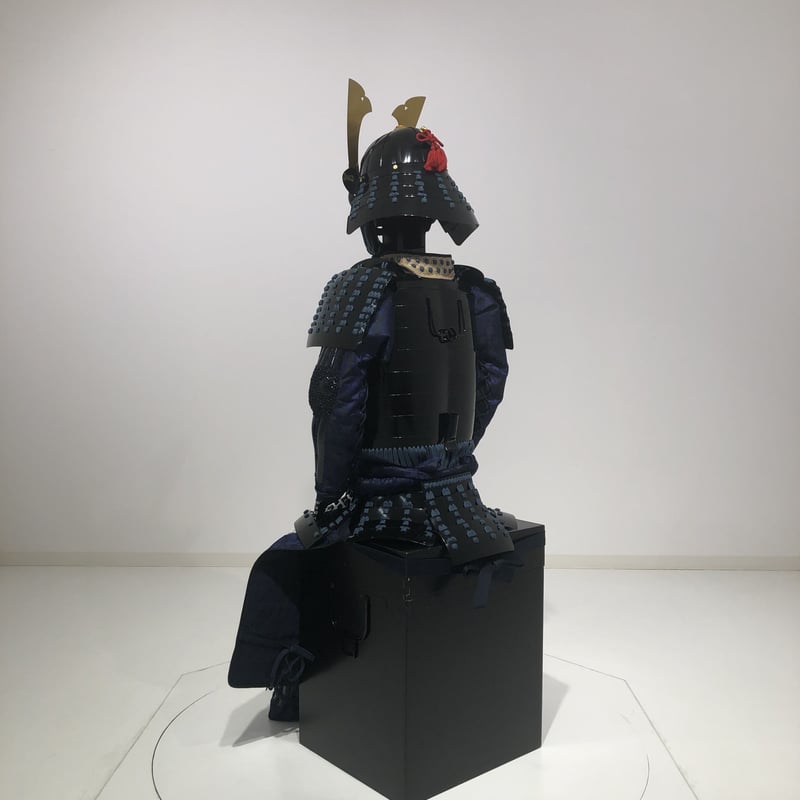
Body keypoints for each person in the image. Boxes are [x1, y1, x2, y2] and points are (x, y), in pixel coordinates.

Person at [228, 83, 518, 721]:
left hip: (384, 504)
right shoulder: (478, 290)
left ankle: (300, 689)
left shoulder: (359, 288)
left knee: (285, 565)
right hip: (460, 497)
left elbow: (336, 403)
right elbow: (491, 384)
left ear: (372, 215)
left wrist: (333, 492)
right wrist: (449, 457)